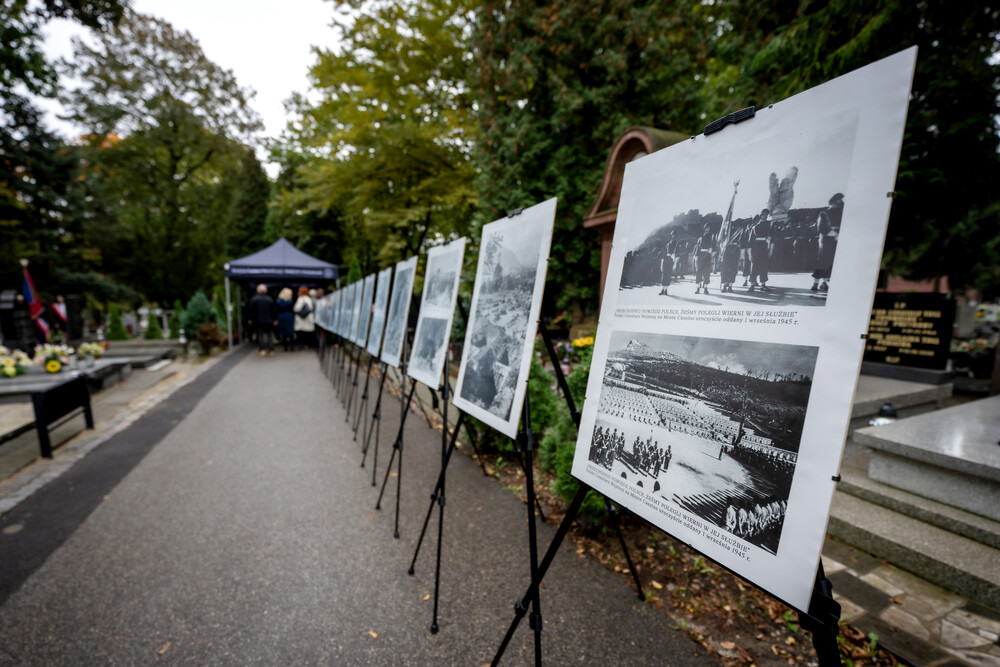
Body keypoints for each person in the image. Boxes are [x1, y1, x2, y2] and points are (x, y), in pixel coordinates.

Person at [811, 193, 844, 292]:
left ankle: (824, 283)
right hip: (826, 240)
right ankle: (815, 283)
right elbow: (821, 228)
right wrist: (835, 235)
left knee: (832, 262)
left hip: (837, 239)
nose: (837, 205)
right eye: (836, 203)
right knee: (822, 261)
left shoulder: (841, 213)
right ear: (831, 203)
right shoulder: (824, 213)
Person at [246, 284, 276, 356]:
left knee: (260, 335)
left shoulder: (254, 299)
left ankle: (262, 349)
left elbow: (251, 310)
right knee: (270, 334)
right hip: (269, 320)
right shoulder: (270, 299)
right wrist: (275, 319)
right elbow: (274, 310)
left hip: (258, 320)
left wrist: (250, 319)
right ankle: (271, 349)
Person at [748, 208, 771, 292]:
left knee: (764, 266)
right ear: (760, 215)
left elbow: (770, 238)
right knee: (754, 266)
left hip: (764, 247)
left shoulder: (769, 226)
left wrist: (770, 250)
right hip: (756, 248)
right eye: (763, 214)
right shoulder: (754, 227)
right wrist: (750, 254)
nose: (764, 216)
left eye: (766, 214)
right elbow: (750, 242)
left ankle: (763, 284)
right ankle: (752, 285)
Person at [693, 223, 716, 294]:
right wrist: (696, 257)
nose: (707, 229)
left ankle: (706, 288)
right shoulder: (700, 238)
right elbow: (697, 247)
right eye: (706, 228)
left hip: (707, 257)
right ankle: (698, 288)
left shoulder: (712, 238)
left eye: (709, 228)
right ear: (704, 229)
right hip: (700, 257)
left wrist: (712, 252)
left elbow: (715, 247)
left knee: (706, 273)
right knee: (698, 273)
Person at [275, 287, 295, 352]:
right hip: (289, 316)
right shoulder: (290, 301)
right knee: (290, 332)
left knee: (284, 333)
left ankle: (285, 347)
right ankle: (292, 346)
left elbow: (276, 310)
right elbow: (292, 310)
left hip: (281, 317)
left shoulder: (278, 301)